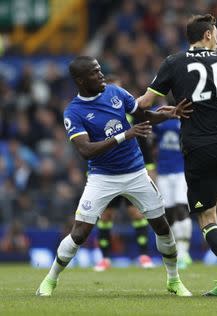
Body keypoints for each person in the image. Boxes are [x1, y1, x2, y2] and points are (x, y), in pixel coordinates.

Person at [36, 56, 192, 297]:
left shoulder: (116, 92)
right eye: (95, 73)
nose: (101, 75)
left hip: (136, 173)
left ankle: (174, 280)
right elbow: (85, 150)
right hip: (102, 177)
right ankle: (50, 279)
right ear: (80, 80)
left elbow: (143, 116)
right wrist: (124, 135)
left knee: (162, 227)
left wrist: (169, 114)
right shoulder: (73, 112)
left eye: (100, 70)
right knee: (79, 233)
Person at [137, 14, 217, 298]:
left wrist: (167, 111)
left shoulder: (173, 63)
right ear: (206, 36)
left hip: (198, 146)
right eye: (216, 33)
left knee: (206, 218)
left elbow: (143, 104)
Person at [93, 75, 156, 272]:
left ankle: (144, 256)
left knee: (136, 213)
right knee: (105, 216)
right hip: (107, 172)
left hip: (133, 170)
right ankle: (104, 258)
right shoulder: (97, 114)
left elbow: (144, 141)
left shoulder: (131, 112)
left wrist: (151, 168)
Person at [152, 116, 192, 269]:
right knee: (168, 212)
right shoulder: (159, 115)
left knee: (181, 208)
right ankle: (179, 251)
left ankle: (184, 252)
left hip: (181, 171)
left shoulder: (186, 117)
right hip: (163, 171)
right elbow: (151, 138)